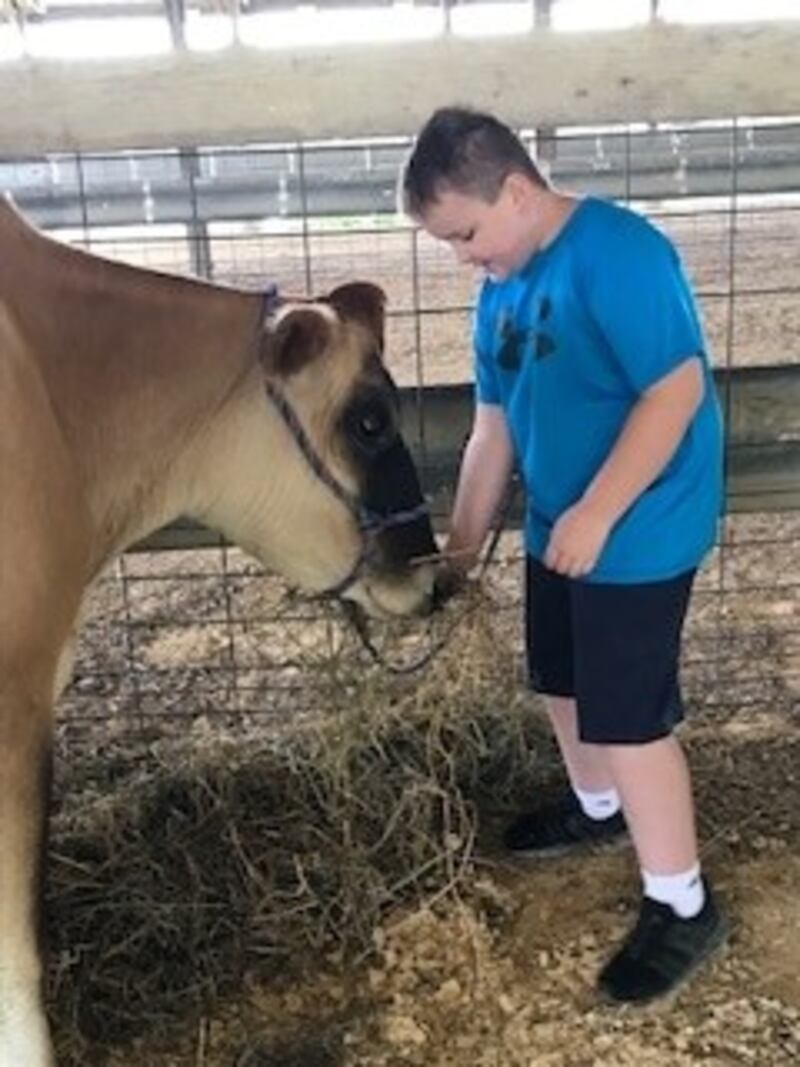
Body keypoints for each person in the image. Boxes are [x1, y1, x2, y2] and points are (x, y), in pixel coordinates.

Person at [401, 106, 728, 1004]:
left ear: (514, 190)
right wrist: (460, 558)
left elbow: (676, 390)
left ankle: (683, 900)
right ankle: (600, 809)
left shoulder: (618, 252)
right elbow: (491, 431)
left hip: (641, 519)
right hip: (565, 519)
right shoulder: (499, 286)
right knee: (559, 678)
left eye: (465, 232)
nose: (463, 254)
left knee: (628, 717)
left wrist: (598, 510)